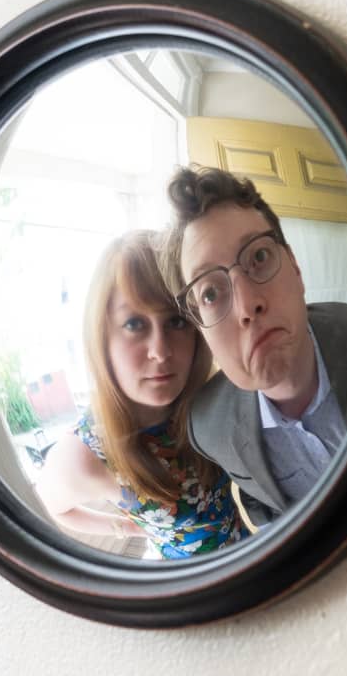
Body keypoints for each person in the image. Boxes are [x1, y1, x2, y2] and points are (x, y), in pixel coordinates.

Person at [159, 166, 347, 529]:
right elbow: (263, 503)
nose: (247, 306)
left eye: (258, 257)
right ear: (201, 328)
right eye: (210, 293)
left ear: (295, 267)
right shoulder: (208, 428)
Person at [36, 229, 247, 559]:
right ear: (102, 337)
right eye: (135, 324)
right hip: (193, 595)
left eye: (176, 321)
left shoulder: (210, 398)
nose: (160, 352)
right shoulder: (84, 456)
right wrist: (122, 527)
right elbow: (52, 507)